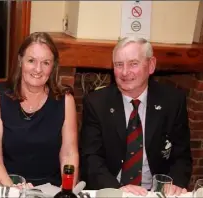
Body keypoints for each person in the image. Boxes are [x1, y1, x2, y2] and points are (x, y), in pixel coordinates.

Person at [80, 36, 192, 196]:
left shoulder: (173, 101)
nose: (125, 72)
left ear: (151, 65)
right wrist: (117, 188)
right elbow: (90, 158)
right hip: (113, 189)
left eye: (133, 63)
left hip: (155, 192)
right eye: (119, 65)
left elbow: (181, 156)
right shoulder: (97, 103)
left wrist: (174, 184)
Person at [0, 32, 79, 187]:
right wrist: (12, 188)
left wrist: (67, 188)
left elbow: (69, 154)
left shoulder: (65, 101)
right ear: (20, 61)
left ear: (53, 66)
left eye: (46, 62)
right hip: (7, 184)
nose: (38, 69)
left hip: (49, 188)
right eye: (31, 61)